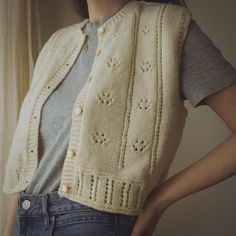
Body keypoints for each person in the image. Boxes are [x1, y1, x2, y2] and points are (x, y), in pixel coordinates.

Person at [3, 0, 236, 235]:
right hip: (25, 217)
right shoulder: (55, 44)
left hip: (93, 222)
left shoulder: (169, 28)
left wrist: (159, 200)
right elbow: (27, 167)